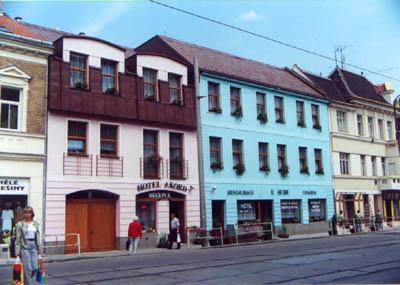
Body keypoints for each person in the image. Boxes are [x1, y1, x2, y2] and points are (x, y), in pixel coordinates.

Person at [15, 206, 41, 285]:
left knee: (35, 268)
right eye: (25, 212)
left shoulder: (35, 223)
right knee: (28, 269)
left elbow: (38, 237)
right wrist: (17, 254)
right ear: (23, 214)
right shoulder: (19, 225)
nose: (27, 214)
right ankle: (27, 283)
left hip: (34, 247)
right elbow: (18, 240)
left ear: (32, 214)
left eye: (29, 212)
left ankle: (26, 280)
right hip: (24, 246)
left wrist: (40, 251)